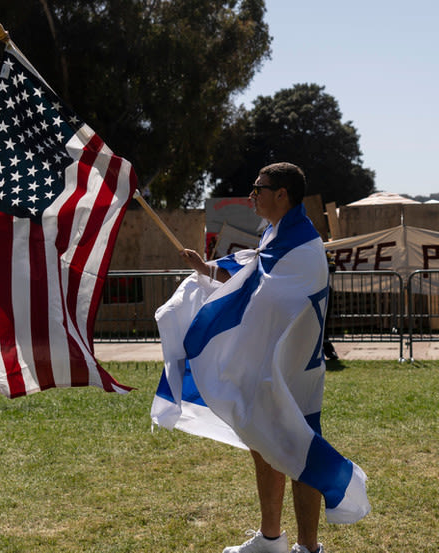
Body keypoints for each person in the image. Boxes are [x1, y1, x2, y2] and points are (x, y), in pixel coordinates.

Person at [173, 162, 368, 553]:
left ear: (283, 194)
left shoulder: (302, 246)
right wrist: (207, 270)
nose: (252, 195)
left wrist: (226, 308)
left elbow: (266, 294)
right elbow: (253, 277)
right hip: (276, 364)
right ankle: (270, 539)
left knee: (298, 446)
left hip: (293, 369)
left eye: (258, 188)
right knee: (265, 443)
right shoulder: (278, 236)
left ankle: (309, 547)